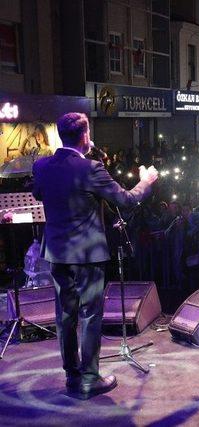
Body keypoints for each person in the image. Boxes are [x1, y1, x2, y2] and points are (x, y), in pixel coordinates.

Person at [32, 112, 158, 400]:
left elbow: (40, 194)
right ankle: (89, 379)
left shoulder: (42, 167)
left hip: (58, 254)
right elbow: (127, 200)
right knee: (90, 315)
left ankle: (71, 376)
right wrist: (146, 181)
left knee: (65, 316)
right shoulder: (91, 169)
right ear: (85, 135)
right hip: (88, 257)